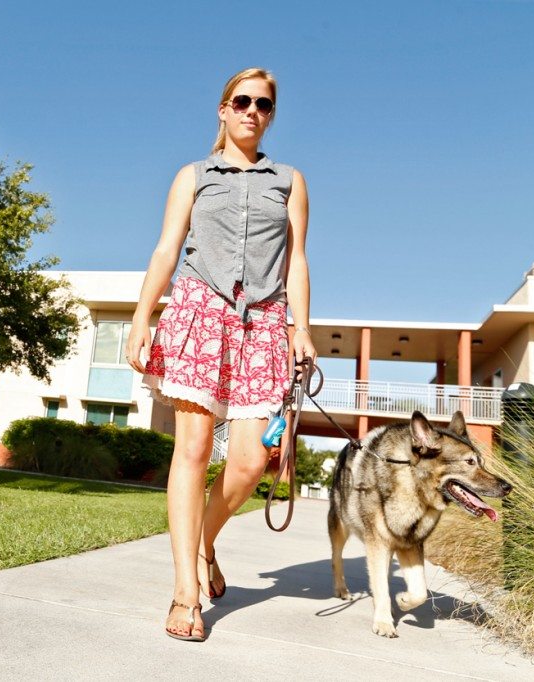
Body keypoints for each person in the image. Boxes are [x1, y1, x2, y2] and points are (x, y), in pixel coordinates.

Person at [125, 67, 316, 642]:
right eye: (242, 101)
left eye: (264, 104)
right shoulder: (193, 175)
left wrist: (300, 329)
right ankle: (187, 591)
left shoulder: (290, 180)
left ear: (271, 114)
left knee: (251, 460)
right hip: (199, 311)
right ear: (223, 109)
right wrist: (141, 316)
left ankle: (203, 544)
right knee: (194, 448)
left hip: (263, 322)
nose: (252, 111)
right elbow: (166, 247)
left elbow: (297, 261)